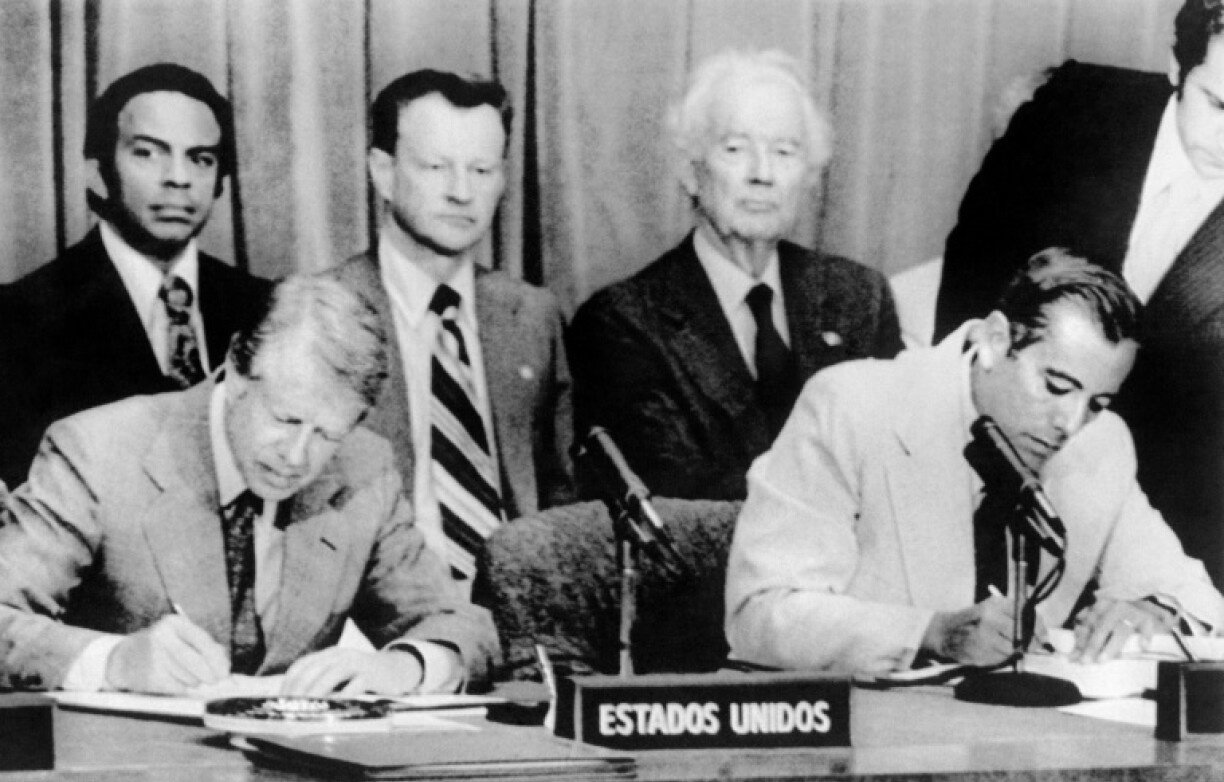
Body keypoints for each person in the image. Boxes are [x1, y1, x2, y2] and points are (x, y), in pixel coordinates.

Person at [726, 249, 1224, 674]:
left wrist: (1153, 611)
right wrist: (931, 632)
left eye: (1098, 403)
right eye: (1055, 386)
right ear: (995, 341)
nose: (1070, 424)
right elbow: (760, 615)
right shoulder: (850, 405)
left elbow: (1192, 594)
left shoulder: (1103, 445)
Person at [0, 274, 497, 696]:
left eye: (327, 434)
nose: (298, 456)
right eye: (285, 418)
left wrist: (401, 667)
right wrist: (118, 661)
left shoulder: (365, 467)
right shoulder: (98, 450)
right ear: (236, 371)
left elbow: (464, 626)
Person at [934, 1, 1224, 586]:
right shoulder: (1072, 111)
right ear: (1175, 67)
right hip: (975, 472)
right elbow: (973, 281)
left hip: (1162, 529)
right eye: (1219, 104)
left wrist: (1162, 591)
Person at [568, 49, 902, 502]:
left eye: (785, 152)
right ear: (690, 170)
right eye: (735, 149)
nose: (762, 175)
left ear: (808, 177)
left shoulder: (860, 298)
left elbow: (894, 468)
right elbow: (677, 498)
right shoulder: (623, 322)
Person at [312, 69, 573, 586]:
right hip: (379, 620)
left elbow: (564, 495)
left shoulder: (531, 316)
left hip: (521, 610)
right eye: (436, 167)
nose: (461, 192)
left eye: (481, 170)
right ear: (382, 172)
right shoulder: (323, 311)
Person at [0, 63, 269, 490]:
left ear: (220, 182)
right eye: (147, 153)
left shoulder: (266, 309)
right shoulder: (17, 321)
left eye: (201, 159)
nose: (178, 178)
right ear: (97, 174)